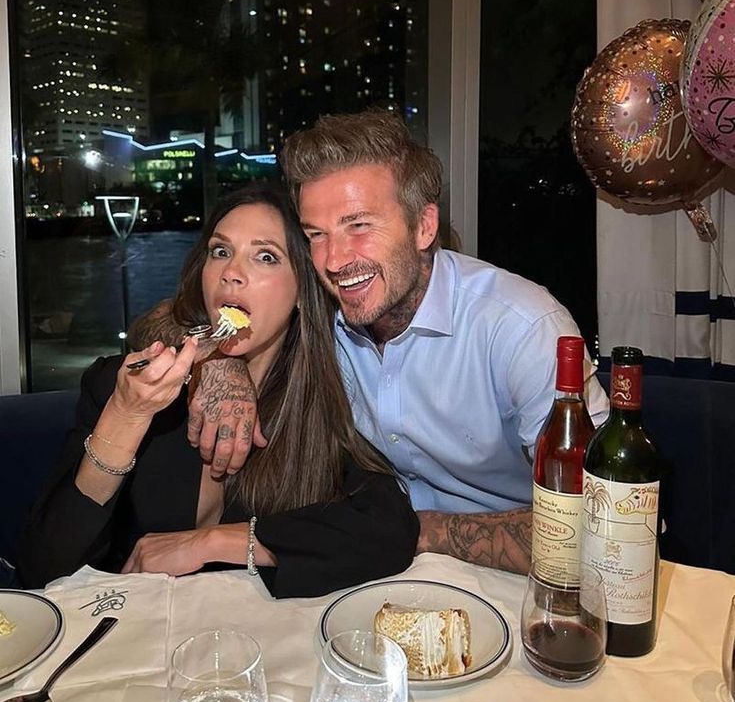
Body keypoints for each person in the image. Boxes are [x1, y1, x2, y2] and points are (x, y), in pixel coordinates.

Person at [133, 110, 609, 575]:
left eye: (358, 225)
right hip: (378, 563)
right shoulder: (323, 314)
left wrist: (417, 532)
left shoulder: (521, 328)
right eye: (316, 234)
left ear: (424, 226)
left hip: (530, 573)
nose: (335, 260)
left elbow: (604, 523)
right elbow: (168, 321)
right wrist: (222, 360)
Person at [17, 182, 419, 597]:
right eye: (220, 251)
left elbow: (389, 528)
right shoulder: (124, 385)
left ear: (302, 291)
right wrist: (126, 415)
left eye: (266, 257)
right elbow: (44, 571)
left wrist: (217, 542)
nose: (231, 272)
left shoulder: (317, 400)